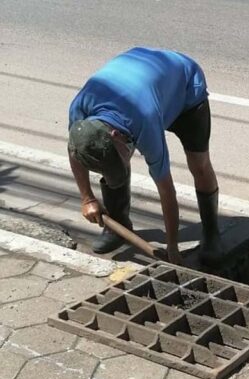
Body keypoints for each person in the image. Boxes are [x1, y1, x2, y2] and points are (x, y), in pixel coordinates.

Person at [67, 47, 223, 265]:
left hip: (184, 89)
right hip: (143, 84)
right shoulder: (81, 111)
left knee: (199, 165)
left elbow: (167, 191)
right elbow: (75, 150)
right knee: (113, 163)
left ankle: (212, 233)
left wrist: (172, 247)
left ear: (116, 135)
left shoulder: (144, 122)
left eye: (121, 154)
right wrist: (87, 198)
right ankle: (120, 227)